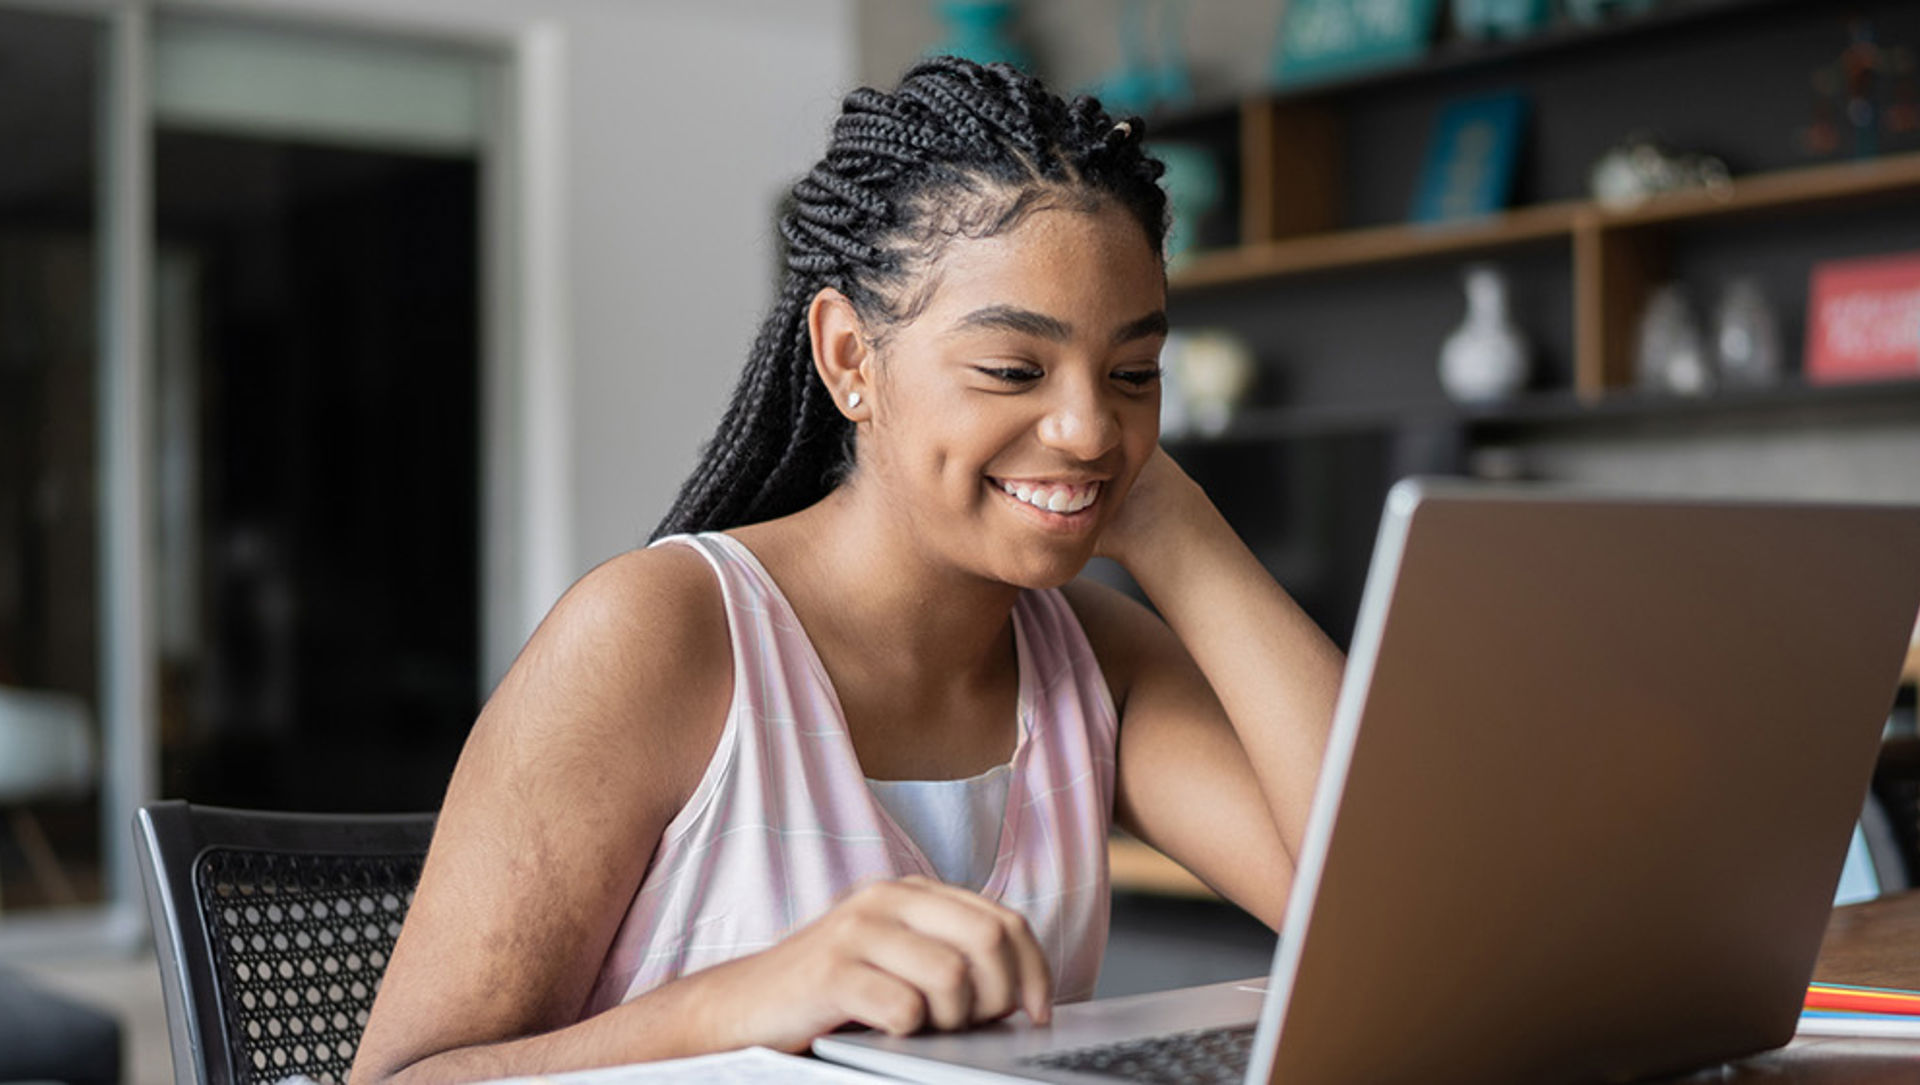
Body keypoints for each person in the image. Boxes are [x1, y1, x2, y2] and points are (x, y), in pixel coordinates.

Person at [352, 55, 1343, 1083]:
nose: (1089, 426)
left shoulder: (1094, 657)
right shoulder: (661, 633)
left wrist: (1180, 527)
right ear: (849, 359)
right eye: (1013, 368)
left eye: (1134, 374)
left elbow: (1377, 911)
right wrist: (745, 1001)